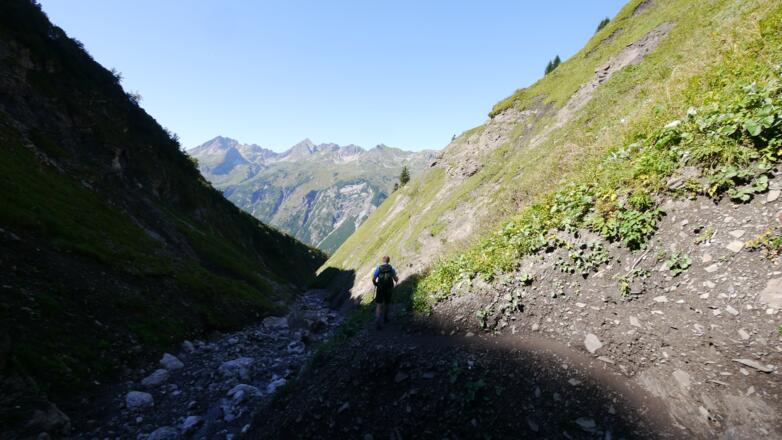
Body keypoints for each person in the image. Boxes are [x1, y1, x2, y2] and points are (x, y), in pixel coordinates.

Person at [372, 256, 398, 329]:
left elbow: (373, 278)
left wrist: (376, 284)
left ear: (382, 261)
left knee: (378, 305)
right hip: (389, 288)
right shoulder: (391, 269)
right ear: (388, 261)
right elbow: (395, 278)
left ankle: (377, 320)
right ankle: (385, 318)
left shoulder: (379, 268)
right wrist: (396, 280)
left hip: (380, 288)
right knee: (387, 303)